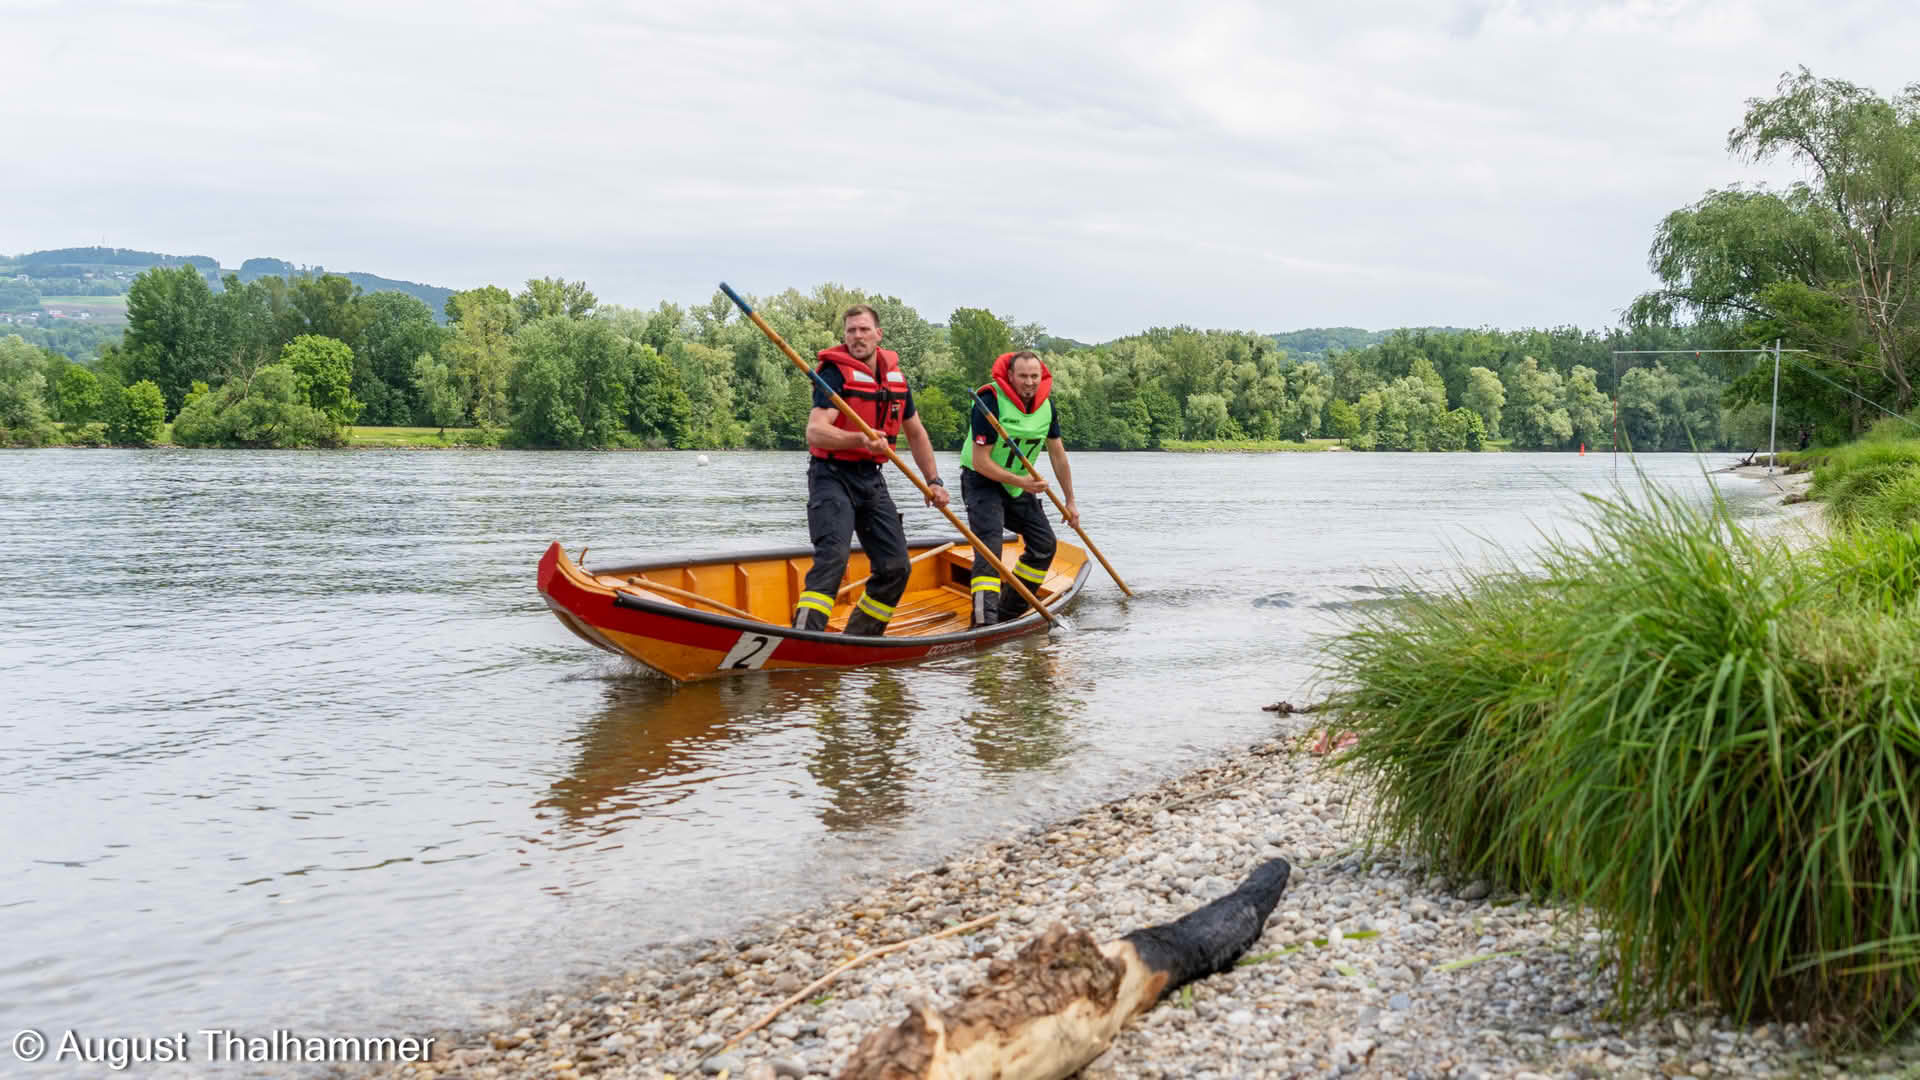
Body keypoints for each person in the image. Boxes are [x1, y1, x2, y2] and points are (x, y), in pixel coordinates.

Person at [792, 304, 950, 637]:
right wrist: (859, 439)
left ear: (878, 334)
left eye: (864, 330)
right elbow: (816, 431)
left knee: (895, 567)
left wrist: (933, 481)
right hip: (831, 476)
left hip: (871, 479)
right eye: (851, 331)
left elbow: (916, 433)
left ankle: (860, 639)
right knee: (833, 559)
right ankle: (806, 638)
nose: (857, 337)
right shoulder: (833, 374)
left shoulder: (896, 379)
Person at [959, 350, 1079, 627]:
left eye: (1034, 376)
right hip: (982, 482)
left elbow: (1058, 454)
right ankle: (983, 624)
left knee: (1044, 544)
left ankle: (1009, 613)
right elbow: (980, 462)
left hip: (1017, 487)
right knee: (990, 549)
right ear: (1010, 377)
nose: (1029, 382)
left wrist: (1070, 501)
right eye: (1023, 376)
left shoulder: (1047, 407)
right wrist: (1023, 482)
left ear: (1042, 377)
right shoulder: (989, 402)